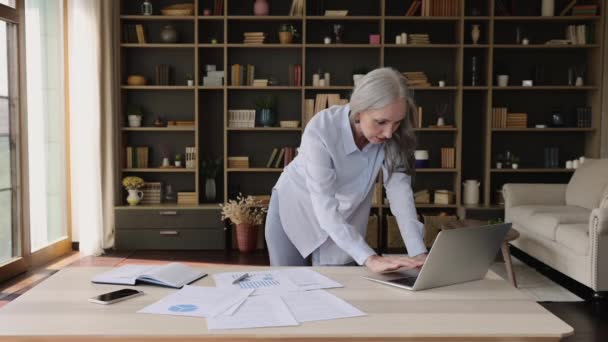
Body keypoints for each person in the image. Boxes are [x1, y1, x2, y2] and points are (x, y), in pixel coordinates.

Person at [265, 67, 427, 273]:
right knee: (289, 286)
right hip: (296, 208)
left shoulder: (393, 137)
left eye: (396, 123)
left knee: (340, 290)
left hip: (344, 215)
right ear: (359, 110)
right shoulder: (321, 129)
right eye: (381, 122)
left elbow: (400, 195)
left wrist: (418, 252)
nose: (388, 133)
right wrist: (370, 257)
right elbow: (324, 205)